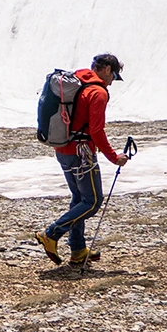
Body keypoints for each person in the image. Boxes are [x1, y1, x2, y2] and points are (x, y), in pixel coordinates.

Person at [34, 53, 126, 267]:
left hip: (63, 148)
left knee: (79, 198)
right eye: (113, 75)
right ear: (104, 70)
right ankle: (51, 234)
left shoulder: (77, 81)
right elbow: (96, 130)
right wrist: (114, 157)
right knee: (92, 201)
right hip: (81, 152)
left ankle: (78, 249)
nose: (113, 80)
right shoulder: (98, 92)